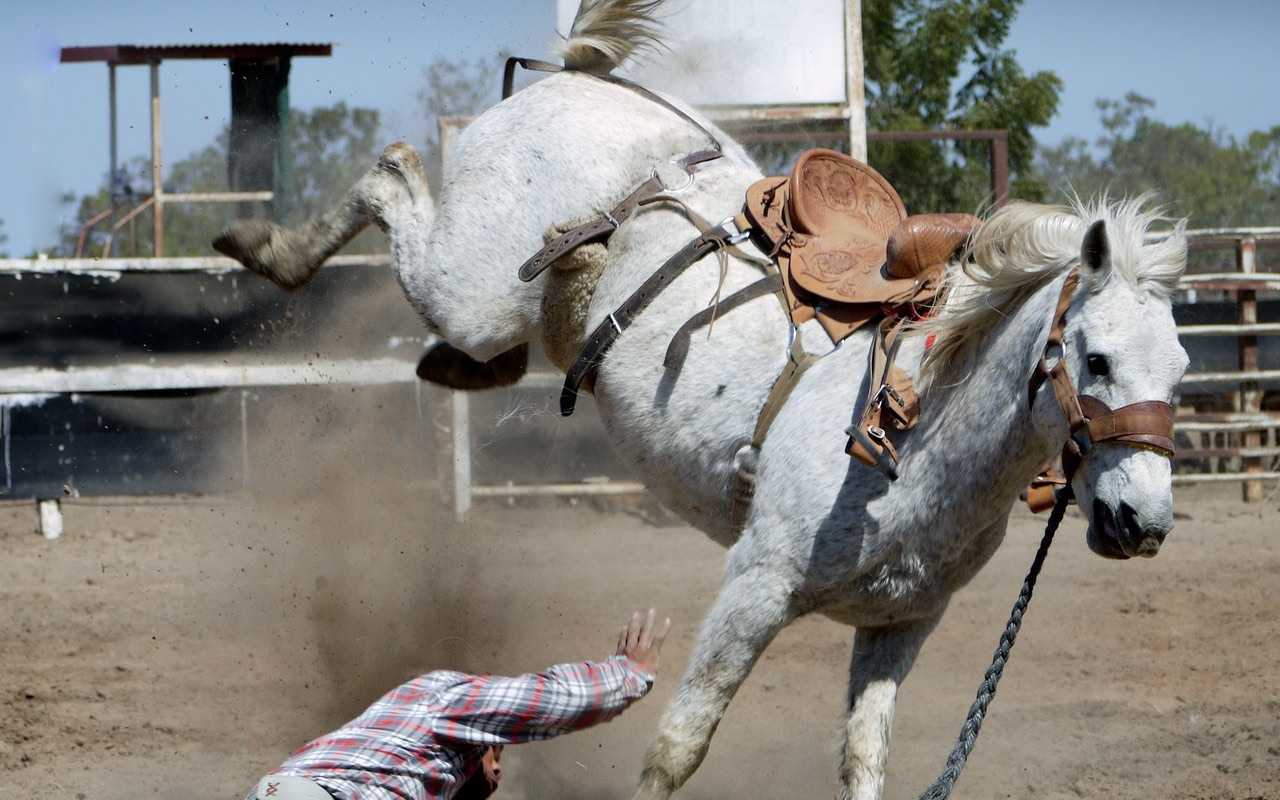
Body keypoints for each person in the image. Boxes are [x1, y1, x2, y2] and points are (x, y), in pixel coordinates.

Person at [246, 609, 671, 800]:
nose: (500, 769)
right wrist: (629, 674)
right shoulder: (444, 698)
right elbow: (550, 701)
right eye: (497, 751)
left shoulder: (401, 761)